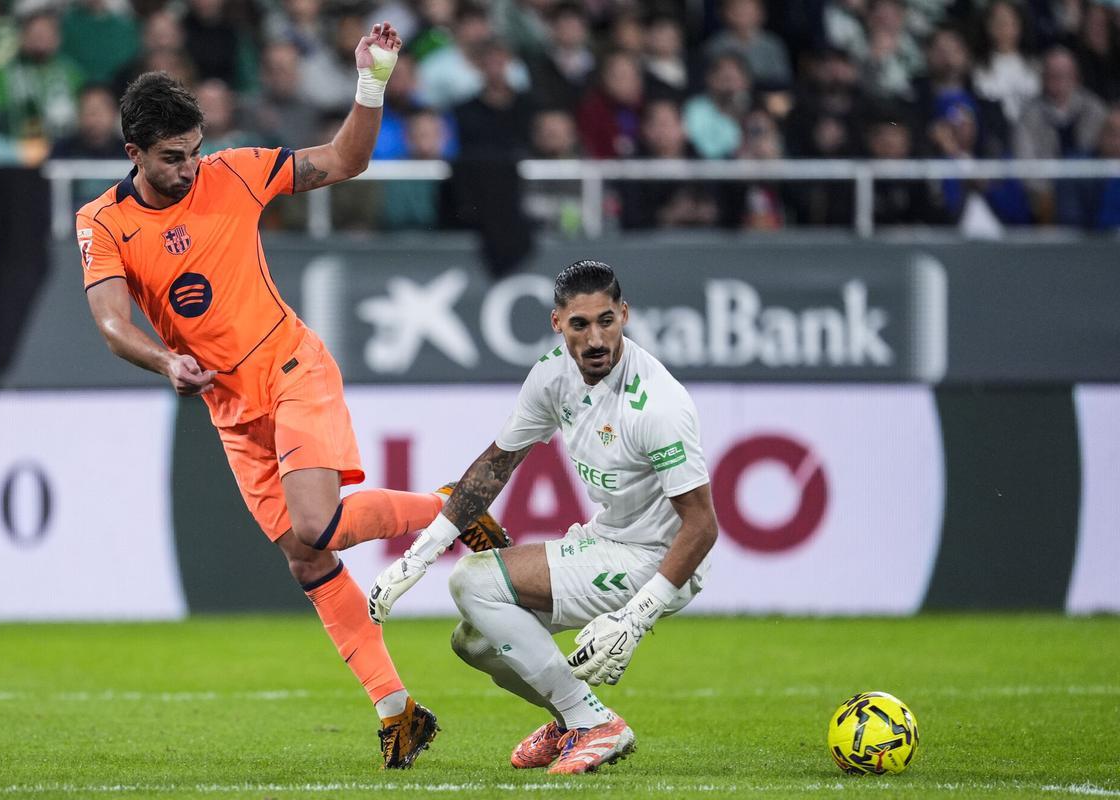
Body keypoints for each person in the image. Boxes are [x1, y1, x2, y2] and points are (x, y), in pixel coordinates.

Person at [74, 23, 509, 770]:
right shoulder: (101, 223)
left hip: (291, 369)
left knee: (315, 525)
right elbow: (114, 323)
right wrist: (164, 362)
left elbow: (347, 158)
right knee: (307, 562)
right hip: (229, 407)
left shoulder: (235, 172)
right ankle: (398, 710)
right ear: (133, 155)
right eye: (172, 159)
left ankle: (450, 509)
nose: (188, 170)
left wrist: (372, 80)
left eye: (194, 151)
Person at [368, 261, 719, 774]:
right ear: (558, 323)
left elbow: (702, 526)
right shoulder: (554, 376)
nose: (596, 338)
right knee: (475, 643)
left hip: (660, 562)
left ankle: (592, 723)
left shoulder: (658, 406)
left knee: (473, 582)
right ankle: (574, 720)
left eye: (607, 321)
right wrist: (418, 557)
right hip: (610, 540)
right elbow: (496, 464)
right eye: (581, 324)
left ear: (625, 315)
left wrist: (635, 618)